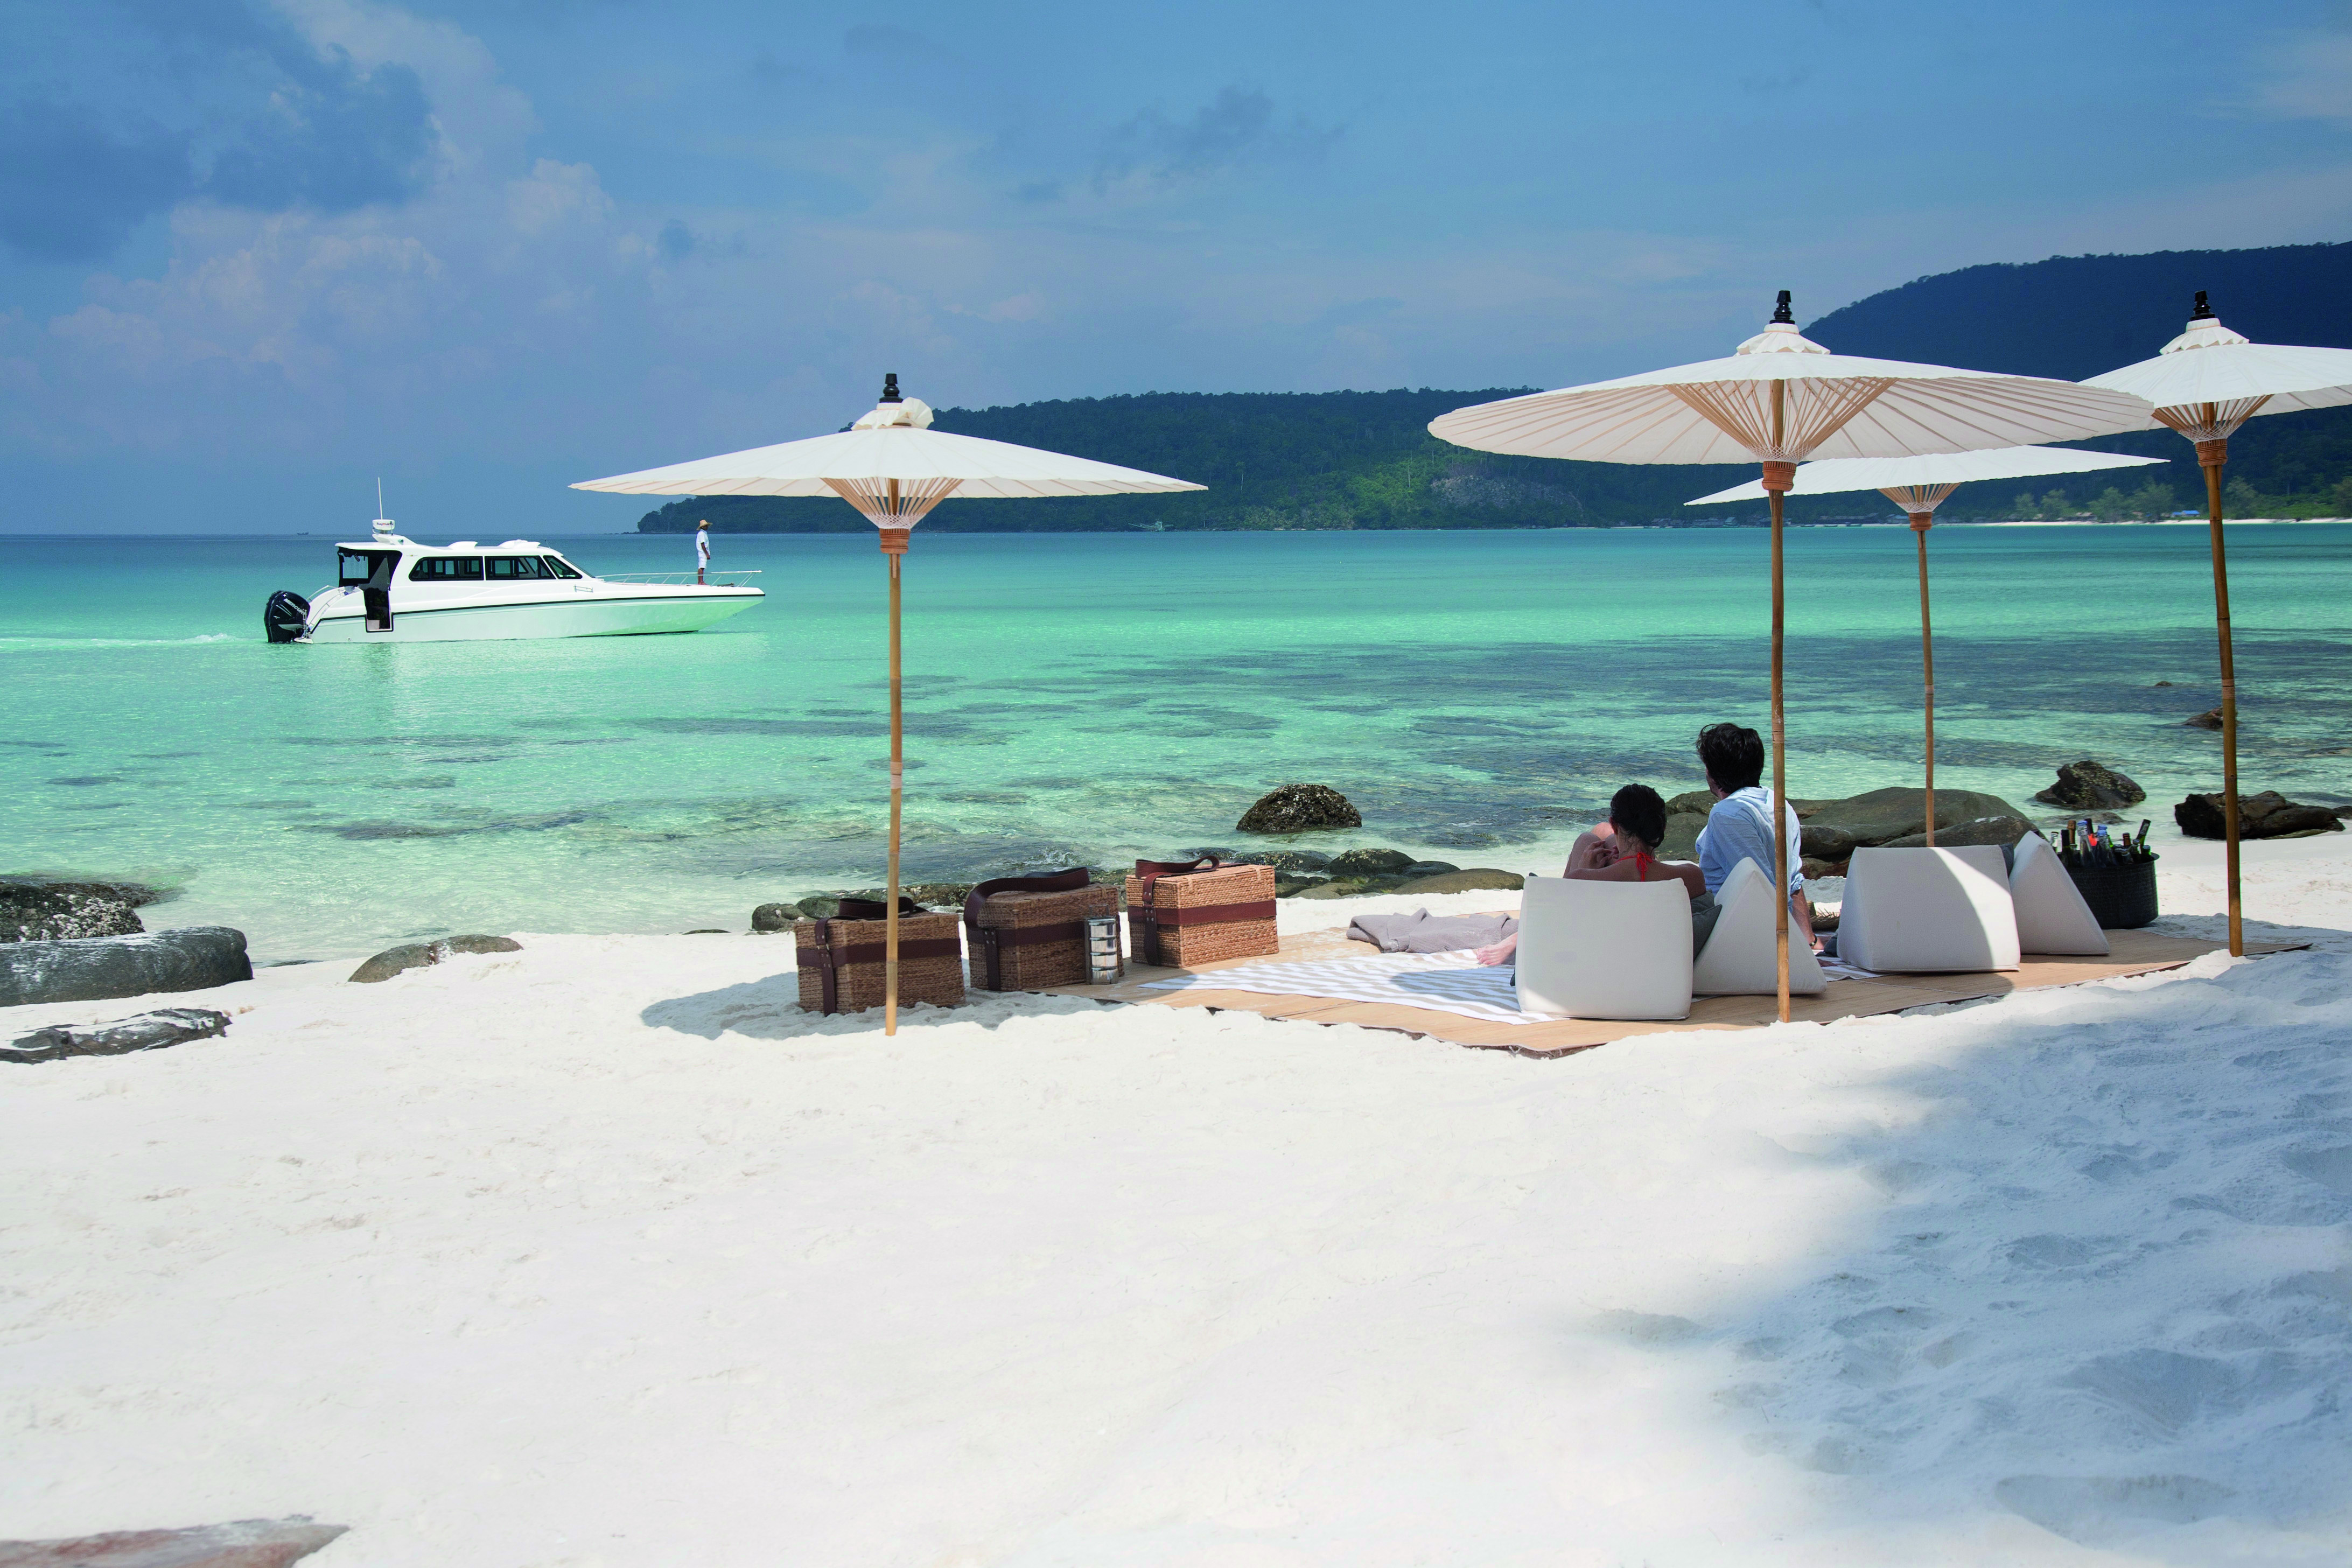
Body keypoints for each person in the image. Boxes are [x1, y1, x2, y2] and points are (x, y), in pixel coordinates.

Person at [1475, 785, 1717, 965]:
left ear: (1614, 823)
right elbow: (1643, 871)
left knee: (1587, 840)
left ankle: (1520, 937)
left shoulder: (1581, 881)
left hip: (1590, 965)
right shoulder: (1691, 877)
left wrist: (1585, 871)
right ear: (1662, 828)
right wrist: (1637, 860)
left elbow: (1554, 923)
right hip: (1648, 968)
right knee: (1595, 839)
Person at [1692, 721, 1816, 949]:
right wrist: (1809, 941)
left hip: (1738, 935)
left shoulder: (1727, 814)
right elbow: (1792, 881)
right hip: (1776, 931)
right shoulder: (1778, 802)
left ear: (1711, 773)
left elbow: (1761, 886)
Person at [695, 519, 711, 584]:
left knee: (701, 567)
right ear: (702, 527)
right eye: (705, 526)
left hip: (702, 552)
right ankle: (701, 581)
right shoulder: (702, 534)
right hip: (703, 552)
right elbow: (703, 544)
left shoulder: (703, 533)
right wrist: (707, 554)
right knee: (702, 566)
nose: (707, 527)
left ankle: (700, 581)